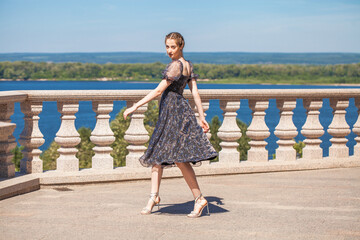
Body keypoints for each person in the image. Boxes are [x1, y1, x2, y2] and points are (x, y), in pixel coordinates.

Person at [123, 32, 218, 218]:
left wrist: (135, 105)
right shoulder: (188, 65)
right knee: (159, 154)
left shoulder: (176, 65)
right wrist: (201, 115)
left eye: (172, 47)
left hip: (173, 114)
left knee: (179, 158)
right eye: (167, 46)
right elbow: (195, 93)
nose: (169, 50)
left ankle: (198, 198)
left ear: (181, 46)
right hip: (176, 112)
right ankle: (153, 197)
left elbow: (159, 90)